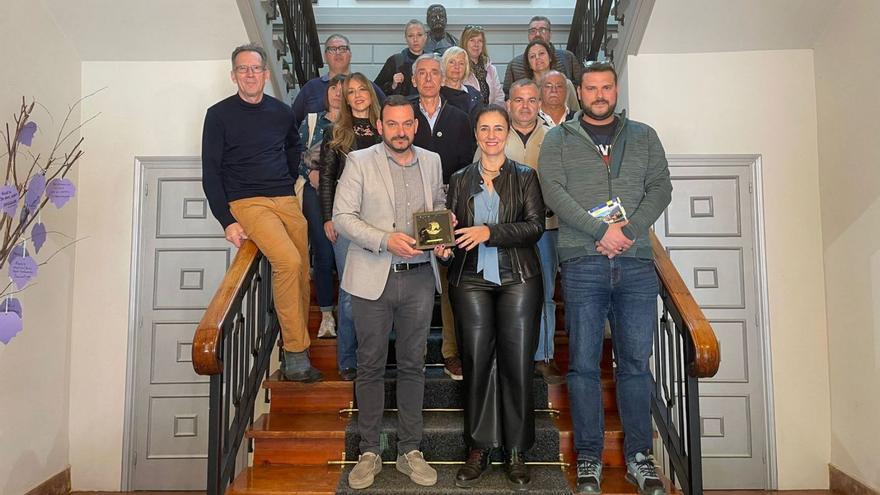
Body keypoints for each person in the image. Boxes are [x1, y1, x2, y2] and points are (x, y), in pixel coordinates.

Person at [537, 61, 672, 495]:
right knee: (582, 366)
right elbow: (552, 190)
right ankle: (590, 459)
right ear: (579, 91)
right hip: (583, 263)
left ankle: (640, 457)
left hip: (634, 263)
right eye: (591, 88)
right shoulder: (558, 138)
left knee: (635, 364)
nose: (599, 94)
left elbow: (661, 188)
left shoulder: (644, 136)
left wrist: (627, 232)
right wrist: (601, 231)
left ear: (616, 90)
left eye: (606, 87)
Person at [333, 95, 449, 490]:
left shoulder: (432, 161)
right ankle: (369, 451)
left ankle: (409, 451)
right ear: (380, 126)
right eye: (392, 124)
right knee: (370, 365)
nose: (400, 131)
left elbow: (437, 209)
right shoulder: (359, 161)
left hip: (418, 278)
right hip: (371, 277)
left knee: (414, 365)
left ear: (415, 125)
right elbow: (342, 217)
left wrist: (443, 233)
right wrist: (385, 239)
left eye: (407, 124)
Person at [201, 43, 318, 382]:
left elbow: (294, 146)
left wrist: (289, 170)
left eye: (255, 69)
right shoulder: (218, 114)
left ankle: (295, 344)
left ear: (266, 75)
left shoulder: (282, 112)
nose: (250, 74)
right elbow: (210, 171)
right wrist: (227, 220)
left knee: (301, 269)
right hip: (247, 201)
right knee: (287, 262)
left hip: (284, 197)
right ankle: (296, 354)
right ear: (233, 75)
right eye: (243, 69)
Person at [447, 104, 545, 490]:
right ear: (475, 134)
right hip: (470, 280)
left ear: (507, 133)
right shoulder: (458, 179)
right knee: (476, 361)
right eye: (484, 128)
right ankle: (479, 447)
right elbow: (452, 230)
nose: (491, 135)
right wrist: (444, 247)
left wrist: (489, 232)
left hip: (519, 278)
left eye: (498, 128)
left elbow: (535, 227)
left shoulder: (525, 176)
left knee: (517, 363)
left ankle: (517, 450)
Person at [410, 53, 475, 380]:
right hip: (411, 207)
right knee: (415, 280)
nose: (429, 78)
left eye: (434, 72)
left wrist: (454, 206)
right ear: (413, 80)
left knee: (451, 281)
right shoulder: (404, 114)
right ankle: (415, 354)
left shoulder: (459, 117)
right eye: (422, 73)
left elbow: (466, 166)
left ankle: (451, 352)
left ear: (443, 78)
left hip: (450, 206)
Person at [318, 73, 383, 381]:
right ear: (344, 98)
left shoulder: (385, 129)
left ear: (370, 93)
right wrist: (328, 217)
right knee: (349, 293)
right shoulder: (336, 131)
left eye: (362, 89)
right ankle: (348, 361)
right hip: (346, 220)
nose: (357, 95)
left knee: (382, 292)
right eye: (351, 92)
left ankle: (379, 358)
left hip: (382, 222)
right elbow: (327, 179)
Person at [505, 79, 564, 384]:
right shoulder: (495, 136)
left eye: (531, 100)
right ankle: (511, 356)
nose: (525, 106)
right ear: (508, 104)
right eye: (519, 100)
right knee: (509, 292)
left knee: (544, 294)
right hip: (506, 232)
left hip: (547, 230)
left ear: (540, 105)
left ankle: (542, 356)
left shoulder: (556, 138)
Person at [298, 74, 346, 339]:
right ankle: (327, 315)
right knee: (323, 251)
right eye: (333, 88)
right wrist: (308, 174)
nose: (338, 93)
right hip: (315, 192)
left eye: (344, 89)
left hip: (347, 195)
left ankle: (349, 312)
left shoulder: (355, 126)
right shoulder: (312, 121)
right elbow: (293, 152)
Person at [292, 34, 386, 125]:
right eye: (332, 49)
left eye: (343, 49)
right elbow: (293, 121)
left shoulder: (367, 87)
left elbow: (386, 115)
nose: (338, 53)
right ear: (325, 57)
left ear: (350, 55)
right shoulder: (311, 87)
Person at [503, 16, 584, 97]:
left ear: (550, 34)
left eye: (543, 30)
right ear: (528, 35)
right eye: (533, 31)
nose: (537, 34)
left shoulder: (567, 58)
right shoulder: (514, 64)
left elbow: (580, 87)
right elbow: (507, 95)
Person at [523, 39, 580, 111]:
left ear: (550, 57)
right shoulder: (526, 89)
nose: (537, 57)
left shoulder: (566, 84)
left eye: (541, 53)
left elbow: (576, 114)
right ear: (529, 64)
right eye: (532, 56)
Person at [374, 20, 427, 97]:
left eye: (419, 35)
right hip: (400, 107)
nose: (415, 39)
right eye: (411, 36)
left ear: (425, 37)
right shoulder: (395, 61)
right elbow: (375, 89)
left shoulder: (432, 62)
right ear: (405, 38)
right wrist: (392, 86)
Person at [460, 25, 505, 106]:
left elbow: (499, 97)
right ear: (465, 43)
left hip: (490, 115)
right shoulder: (459, 68)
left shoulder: (490, 68)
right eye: (472, 40)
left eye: (480, 41)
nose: (476, 44)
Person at [440, 46, 481, 117]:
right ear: (444, 65)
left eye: (461, 63)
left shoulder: (474, 94)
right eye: (452, 62)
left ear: (466, 68)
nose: (457, 67)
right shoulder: (437, 94)